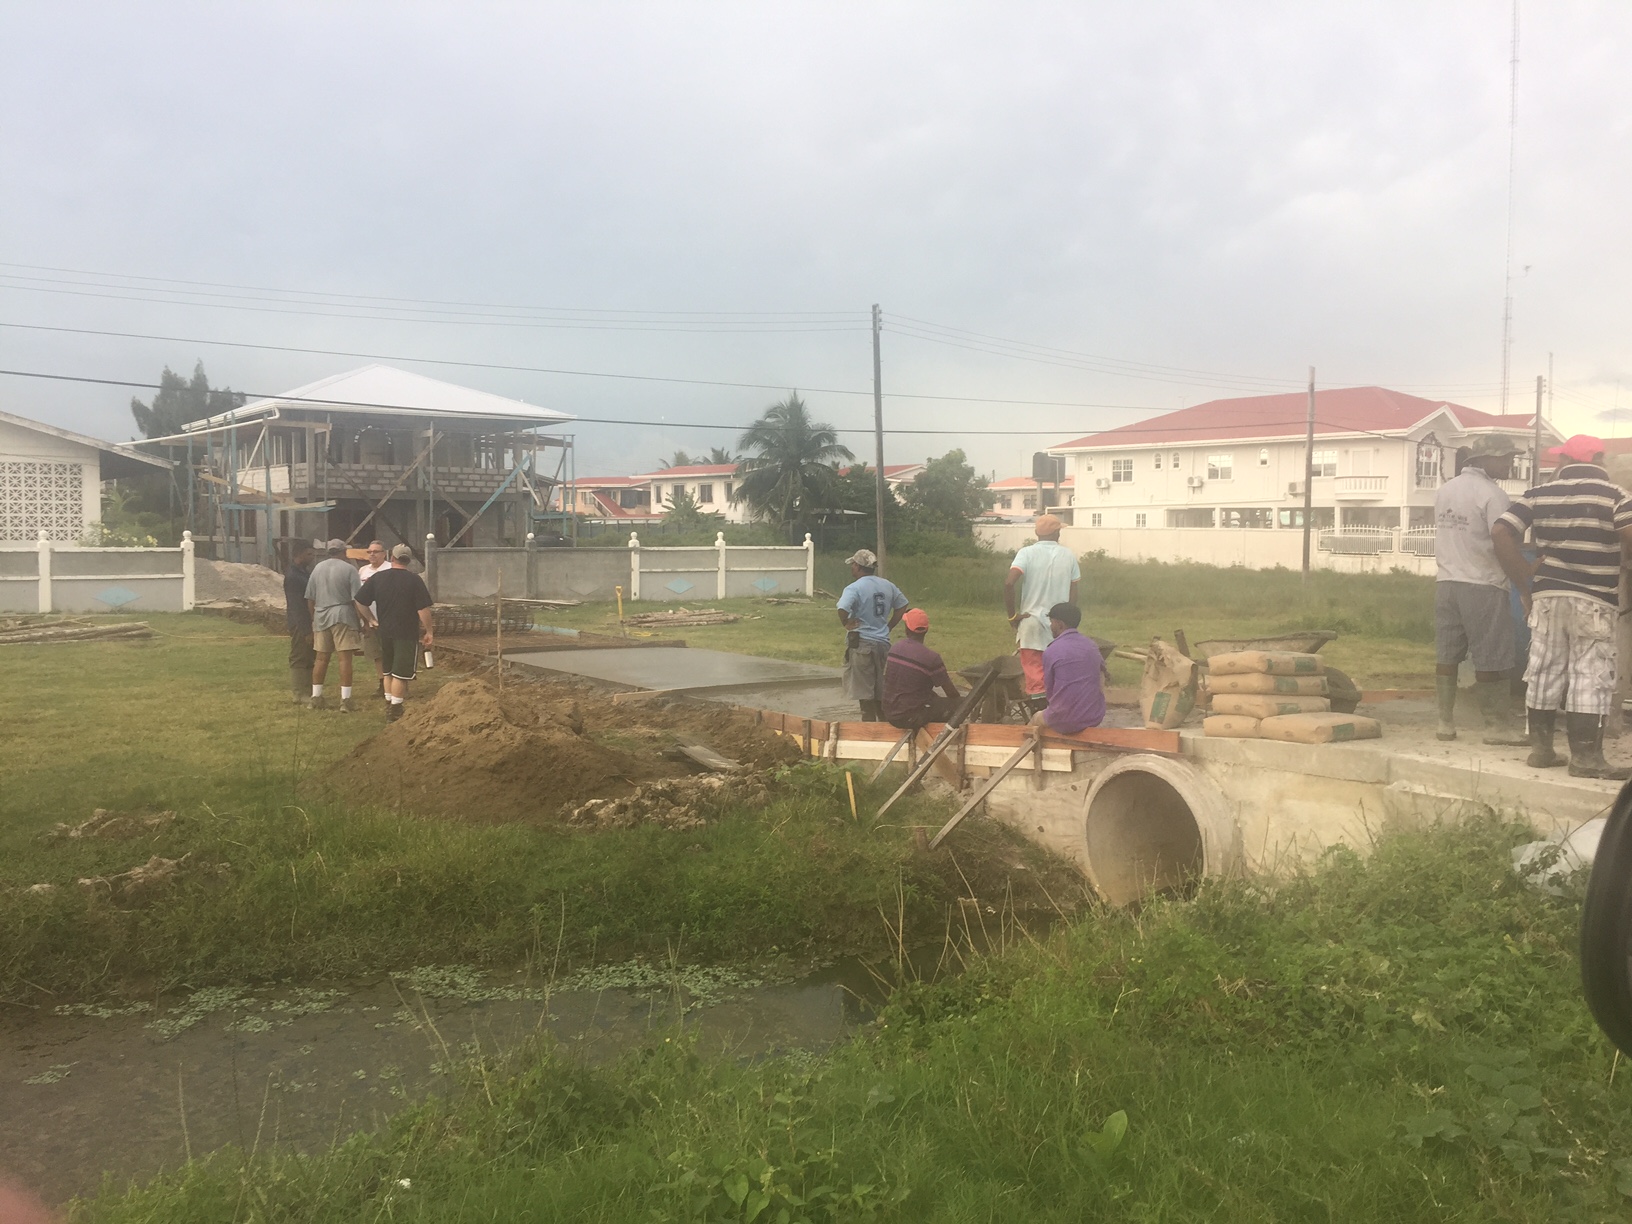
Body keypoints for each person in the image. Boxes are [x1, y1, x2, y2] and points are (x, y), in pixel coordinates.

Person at [1493, 434, 1632, 779]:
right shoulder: (1616, 496)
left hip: (1547, 597)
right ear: (1600, 460)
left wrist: (1524, 579)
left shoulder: (1537, 494)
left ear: (1568, 461)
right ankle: (1586, 759)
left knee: (1544, 668)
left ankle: (1541, 751)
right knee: (1589, 674)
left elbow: (1500, 532)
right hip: (1594, 600)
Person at [1431, 434, 1528, 745]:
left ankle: (1445, 722)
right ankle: (1496, 727)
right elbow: (1502, 539)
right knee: (1492, 655)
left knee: (1448, 653)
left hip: (1446, 582)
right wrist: (1522, 577)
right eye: (1505, 458)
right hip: (1483, 583)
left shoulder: (1446, 490)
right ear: (1486, 460)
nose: (1510, 463)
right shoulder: (1493, 494)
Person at [1004, 513, 1080, 708]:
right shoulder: (1068, 555)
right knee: (1058, 671)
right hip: (1060, 624)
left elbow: (1008, 583)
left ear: (1037, 533)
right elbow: (1073, 593)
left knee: (1036, 678)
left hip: (1031, 624)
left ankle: (1040, 713)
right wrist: (1070, 626)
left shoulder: (1026, 553)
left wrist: (1013, 616)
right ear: (1056, 533)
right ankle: (1059, 711)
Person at [355, 543, 435, 722]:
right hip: (405, 633)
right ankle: (396, 709)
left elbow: (360, 601)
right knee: (401, 673)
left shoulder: (378, 578)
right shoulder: (414, 580)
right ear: (409, 560)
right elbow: (423, 609)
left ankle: (389, 703)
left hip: (384, 631)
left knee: (388, 671)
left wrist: (370, 619)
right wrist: (429, 631)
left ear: (392, 558)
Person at [835, 548, 908, 721]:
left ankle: (869, 730)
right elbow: (902, 605)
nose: (851, 567)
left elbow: (842, 608)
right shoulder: (887, 585)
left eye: (853, 564)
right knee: (879, 690)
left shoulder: (854, 588)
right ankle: (884, 726)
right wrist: (888, 626)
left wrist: (846, 623)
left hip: (862, 644)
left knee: (864, 692)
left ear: (858, 566)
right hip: (883, 644)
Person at [304, 538, 364, 712]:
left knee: (321, 658)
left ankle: (316, 697)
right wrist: (362, 621)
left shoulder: (317, 569)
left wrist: (314, 617)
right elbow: (357, 600)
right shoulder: (350, 569)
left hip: (321, 616)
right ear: (343, 551)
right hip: (342, 616)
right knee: (344, 659)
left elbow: (310, 598)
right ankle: (345, 700)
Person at [1028, 602, 1105, 734]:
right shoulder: (1092, 645)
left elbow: (1050, 691)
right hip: (1094, 717)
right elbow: (1101, 679)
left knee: (1035, 719)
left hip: (1064, 720)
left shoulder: (1052, 650)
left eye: (1052, 622)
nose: (1051, 626)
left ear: (1060, 624)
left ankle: (1024, 750)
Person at [882, 608, 961, 728]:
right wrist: (960, 702)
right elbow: (951, 693)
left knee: (932, 698)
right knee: (958, 704)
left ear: (906, 629)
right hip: (910, 717)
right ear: (926, 630)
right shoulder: (932, 658)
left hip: (889, 712)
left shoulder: (895, 649)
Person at [282, 540, 317, 706]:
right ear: (300, 554)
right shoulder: (293, 576)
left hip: (308, 621)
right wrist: (305, 630)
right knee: (299, 656)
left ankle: (308, 690)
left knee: (310, 656)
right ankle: (299, 693)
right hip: (300, 623)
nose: (312, 557)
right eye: (309, 554)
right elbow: (296, 606)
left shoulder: (303, 573)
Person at [357, 539, 391, 698]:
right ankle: (382, 683)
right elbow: (358, 598)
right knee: (376, 653)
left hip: (389, 618)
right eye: (369, 552)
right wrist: (364, 620)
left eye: (375, 552)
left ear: (384, 554)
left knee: (391, 651)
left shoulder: (390, 569)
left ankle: (397, 682)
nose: (372, 555)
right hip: (370, 619)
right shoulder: (363, 571)